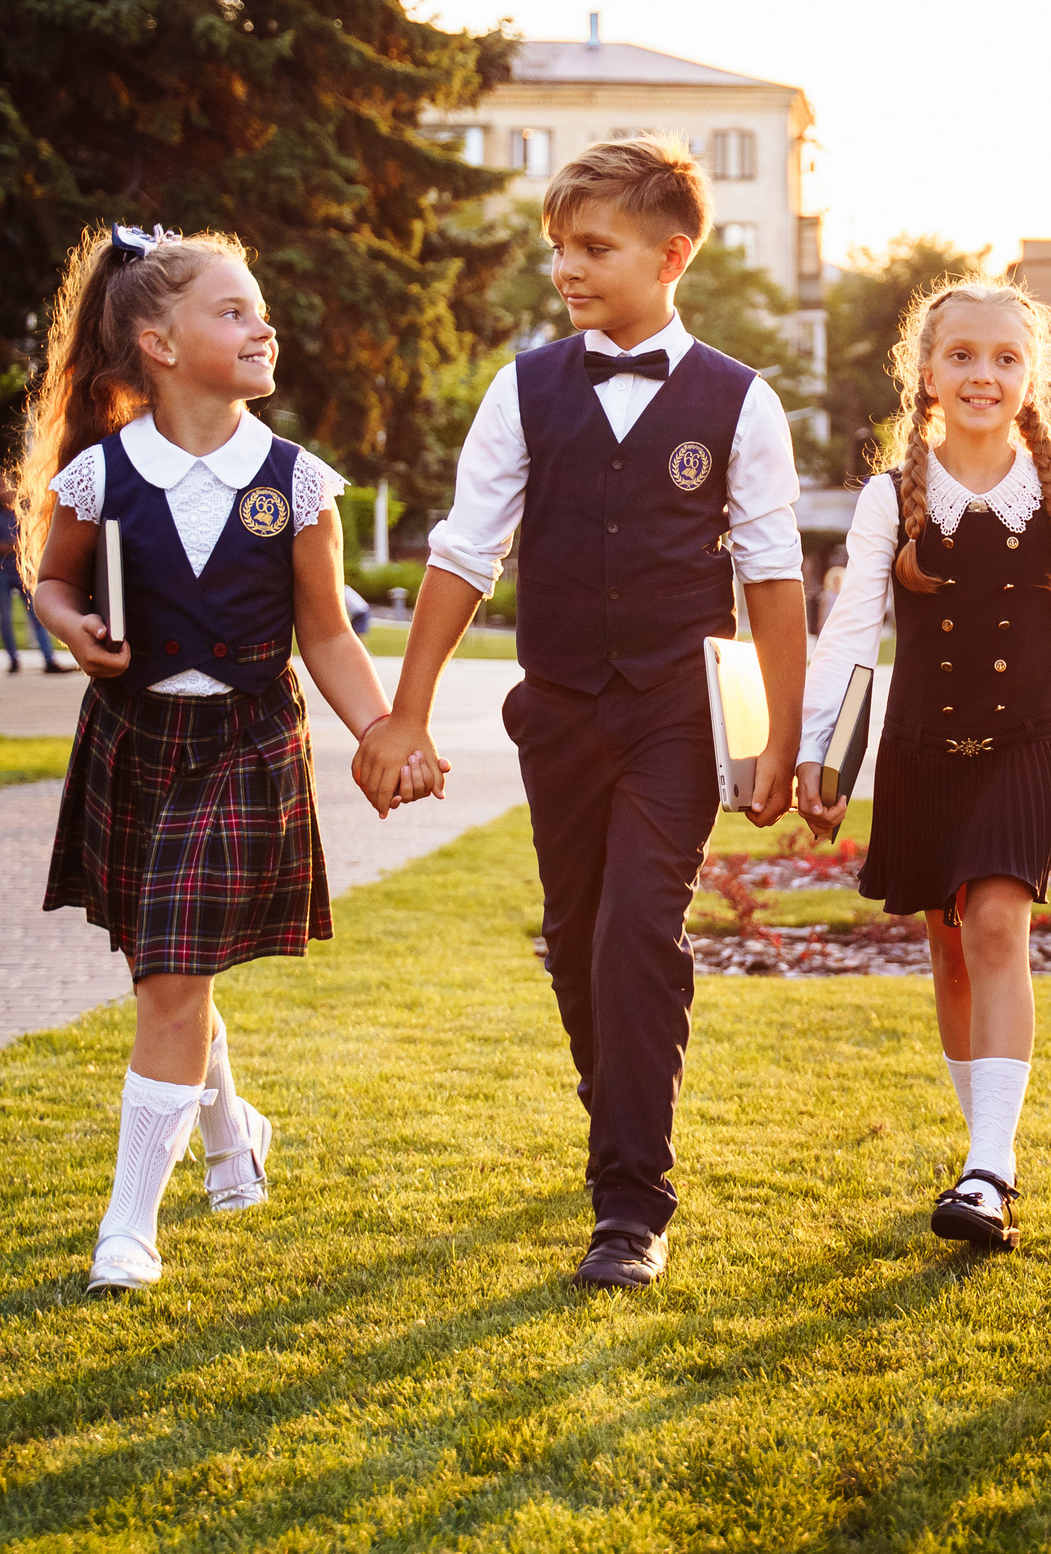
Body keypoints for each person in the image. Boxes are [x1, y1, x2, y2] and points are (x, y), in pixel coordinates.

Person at [358, 136, 807, 1291]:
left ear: (672, 255)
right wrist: (405, 716)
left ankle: (631, 1202)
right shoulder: (523, 389)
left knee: (635, 934)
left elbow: (770, 580)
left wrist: (779, 743)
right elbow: (464, 554)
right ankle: (617, 1111)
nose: (567, 268)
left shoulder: (740, 401)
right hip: (557, 708)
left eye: (594, 248)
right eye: (558, 248)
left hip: (673, 709)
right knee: (574, 941)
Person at [21, 223, 434, 1295]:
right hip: (133, 739)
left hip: (248, 741)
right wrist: (69, 627)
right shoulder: (99, 474)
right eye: (233, 310)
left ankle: (127, 1228)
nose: (263, 327)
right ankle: (231, 1133)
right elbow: (53, 582)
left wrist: (388, 731)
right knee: (168, 970)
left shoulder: (295, 483)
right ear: (157, 342)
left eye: (260, 310)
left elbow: (327, 632)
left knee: (171, 975)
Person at [796, 279, 1051, 1253]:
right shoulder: (892, 496)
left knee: (997, 925)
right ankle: (982, 1149)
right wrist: (821, 752)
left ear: (1032, 378)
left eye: (1006, 358)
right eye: (963, 355)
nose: (984, 373)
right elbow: (851, 632)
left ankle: (988, 1166)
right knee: (949, 949)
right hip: (924, 750)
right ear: (925, 374)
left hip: (1029, 747)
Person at [0, 468, 69, 674]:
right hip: (1, 572)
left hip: (23, 572)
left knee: (36, 615)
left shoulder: (25, 514)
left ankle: (49, 659)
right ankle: (13, 660)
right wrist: (1, 548)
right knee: (5, 617)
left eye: (1, 486)